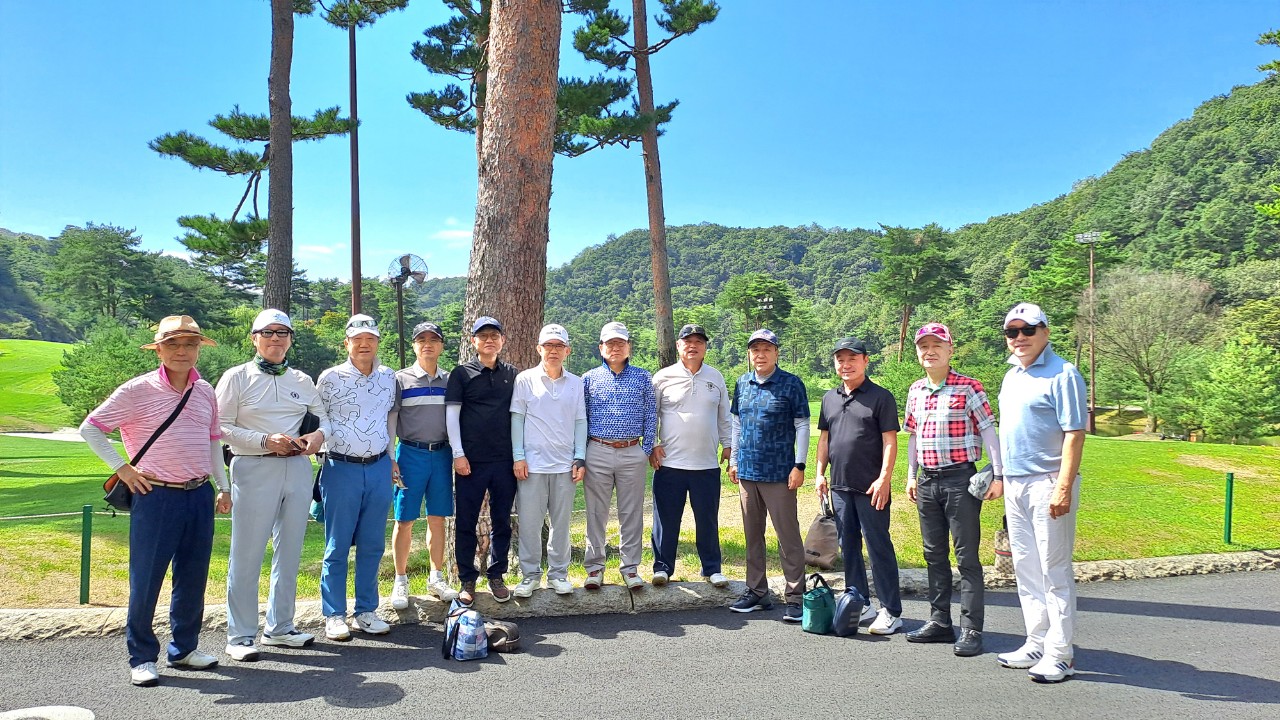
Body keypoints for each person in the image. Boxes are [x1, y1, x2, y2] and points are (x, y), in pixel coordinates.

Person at [79, 315, 230, 687]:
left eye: (190, 344)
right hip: (155, 494)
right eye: (173, 344)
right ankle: (142, 656)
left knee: (193, 576)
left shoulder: (205, 391)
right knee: (146, 578)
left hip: (199, 493)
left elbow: (213, 442)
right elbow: (91, 428)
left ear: (199, 349)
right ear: (158, 350)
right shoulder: (137, 389)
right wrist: (123, 468)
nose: (182, 351)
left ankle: (184, 649)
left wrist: (223, 486)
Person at [217, 309, 330, 661]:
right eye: (267, 332)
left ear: (291, 339)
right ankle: (240, 635)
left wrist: (318, 436)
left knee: (290, 551)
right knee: (247, 553)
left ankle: (280, 627)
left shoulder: (301, 379)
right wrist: (264, 440)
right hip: (254, 466)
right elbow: (219, 426)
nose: (275, 338)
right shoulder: (237, 377)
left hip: (296, 467)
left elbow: (325, 418)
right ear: (254, 338)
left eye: (283, 332)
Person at [996, 302, 1087, 683]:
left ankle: (1060, 653)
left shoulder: (1064, 374)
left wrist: (1063, 487)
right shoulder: (1011, 376)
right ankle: (1036, 641)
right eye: (1012, 332)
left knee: (1054, 570)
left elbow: (1075, 434)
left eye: (1028, 330)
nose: (1019, 338)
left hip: (1048, 481)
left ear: (1045, 332)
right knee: (1026, 567)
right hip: (1015, 482)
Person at [901, 322, 1004, 657]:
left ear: (950, 350)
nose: (929, 352)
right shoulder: (916, 390)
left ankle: (971, 628)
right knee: (933, 554)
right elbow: (914, 436)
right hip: (927, 481)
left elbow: (988, 430)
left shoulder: (969, 387)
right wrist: (911, 475)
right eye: (923, 346)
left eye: (937, 346)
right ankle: (940, 621)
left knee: (966, 557)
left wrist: (999, 474)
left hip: (961, 481)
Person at [316, 314, 397, 640]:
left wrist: (391, 458)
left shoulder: (389, 377)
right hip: (341, 467)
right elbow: (318, 419)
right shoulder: (330, 378)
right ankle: (334, 614)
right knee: (337, 545)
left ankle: (366, 610)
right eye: (357, 339)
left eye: (370, 339)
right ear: (346, 343)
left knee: (372, 544)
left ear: (377, 342)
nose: (364, 345)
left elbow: (389, 417)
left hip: (378, 467)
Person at [814, 337, 903, 635]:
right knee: (848, 545)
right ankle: (860, 600)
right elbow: (824, 440)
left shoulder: (881, 397)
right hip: (840, 486)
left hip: (871, 487)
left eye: (852, 358)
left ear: (865, 361)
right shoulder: (829, 398)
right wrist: (820, 474)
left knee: (878, 546)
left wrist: (884, 479)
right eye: (840, 359)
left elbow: (890, 441)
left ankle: (891, 611)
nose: (846, 364)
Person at [728, 328, 809, 622]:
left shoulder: (791, 383)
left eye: (766, 349)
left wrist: (799, 465)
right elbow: (737, 424)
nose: (760, 355)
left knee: (788, 537)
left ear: (776, 352)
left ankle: (796, 597)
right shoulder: (742, 383)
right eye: (755, 350)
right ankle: (757, 592)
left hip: (780, 473)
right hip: (748, 471)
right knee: (753, 535)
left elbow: (802, 425)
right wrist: (733, 460)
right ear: (750, 354)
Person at [650, 323, 733, 588]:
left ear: (705, 347)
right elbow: (650, 415)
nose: (693, 346)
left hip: (706, 464)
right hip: (669, 463)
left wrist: (728, 445)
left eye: (699, 342)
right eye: (688, 341)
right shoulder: (662, 377)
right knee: (666, 519)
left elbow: (724, 416)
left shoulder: (715, 377)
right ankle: (663, 567)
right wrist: (652, 444)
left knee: (707, 520)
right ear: (678, 346)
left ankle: (712, 568)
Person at [446, 316, 519, 604]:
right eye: (483, 336)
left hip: (504, 460)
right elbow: (452, 416)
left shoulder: (512, 374)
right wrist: (458, 454)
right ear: (473, 341)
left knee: (502, 521)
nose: (489, 340)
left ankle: (497, 575)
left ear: (502, 340)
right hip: (471, 461)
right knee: (466, 521)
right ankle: (467, 578)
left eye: (494, 336)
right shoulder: (461, 374)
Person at [509, 323, 587, 597]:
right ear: (539, 349)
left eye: (558, 346)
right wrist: (518, 456)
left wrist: (580, 457)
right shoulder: (525, 379)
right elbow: (517, 419)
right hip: (532, 465)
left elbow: (580, 421)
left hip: (565, 465)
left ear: (567, 351)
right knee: (530, 524)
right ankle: (530, 575)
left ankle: (558, 575)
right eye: (548, 346)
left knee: (561, 524)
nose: (553, 351)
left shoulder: (576, 383)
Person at [581, 321, 657, 590]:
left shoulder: (643, 377)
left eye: (620, 343)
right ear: (601, 348)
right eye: (610, 343)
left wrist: (645, 449)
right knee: (596, 511)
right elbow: (581, 417)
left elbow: (651, 414)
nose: (615, 348)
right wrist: (583, 453)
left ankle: (630, 567)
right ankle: (594, 568)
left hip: (632, 451)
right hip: (597, 450)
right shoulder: (588, 379)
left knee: (631, 512)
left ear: (629, 347)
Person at [387, 321, 457, 608]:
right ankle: (400, 580)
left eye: (433, 340)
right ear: (414, 345)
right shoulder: (400, 379)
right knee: (404, 519)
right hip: (409, 454)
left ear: (441, 346)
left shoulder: (450, 380)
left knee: (437, 518)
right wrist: (391, 457)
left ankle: (436, 578)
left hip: (441, 454)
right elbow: (391, 419)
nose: (427, 344)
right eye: (421, 340)